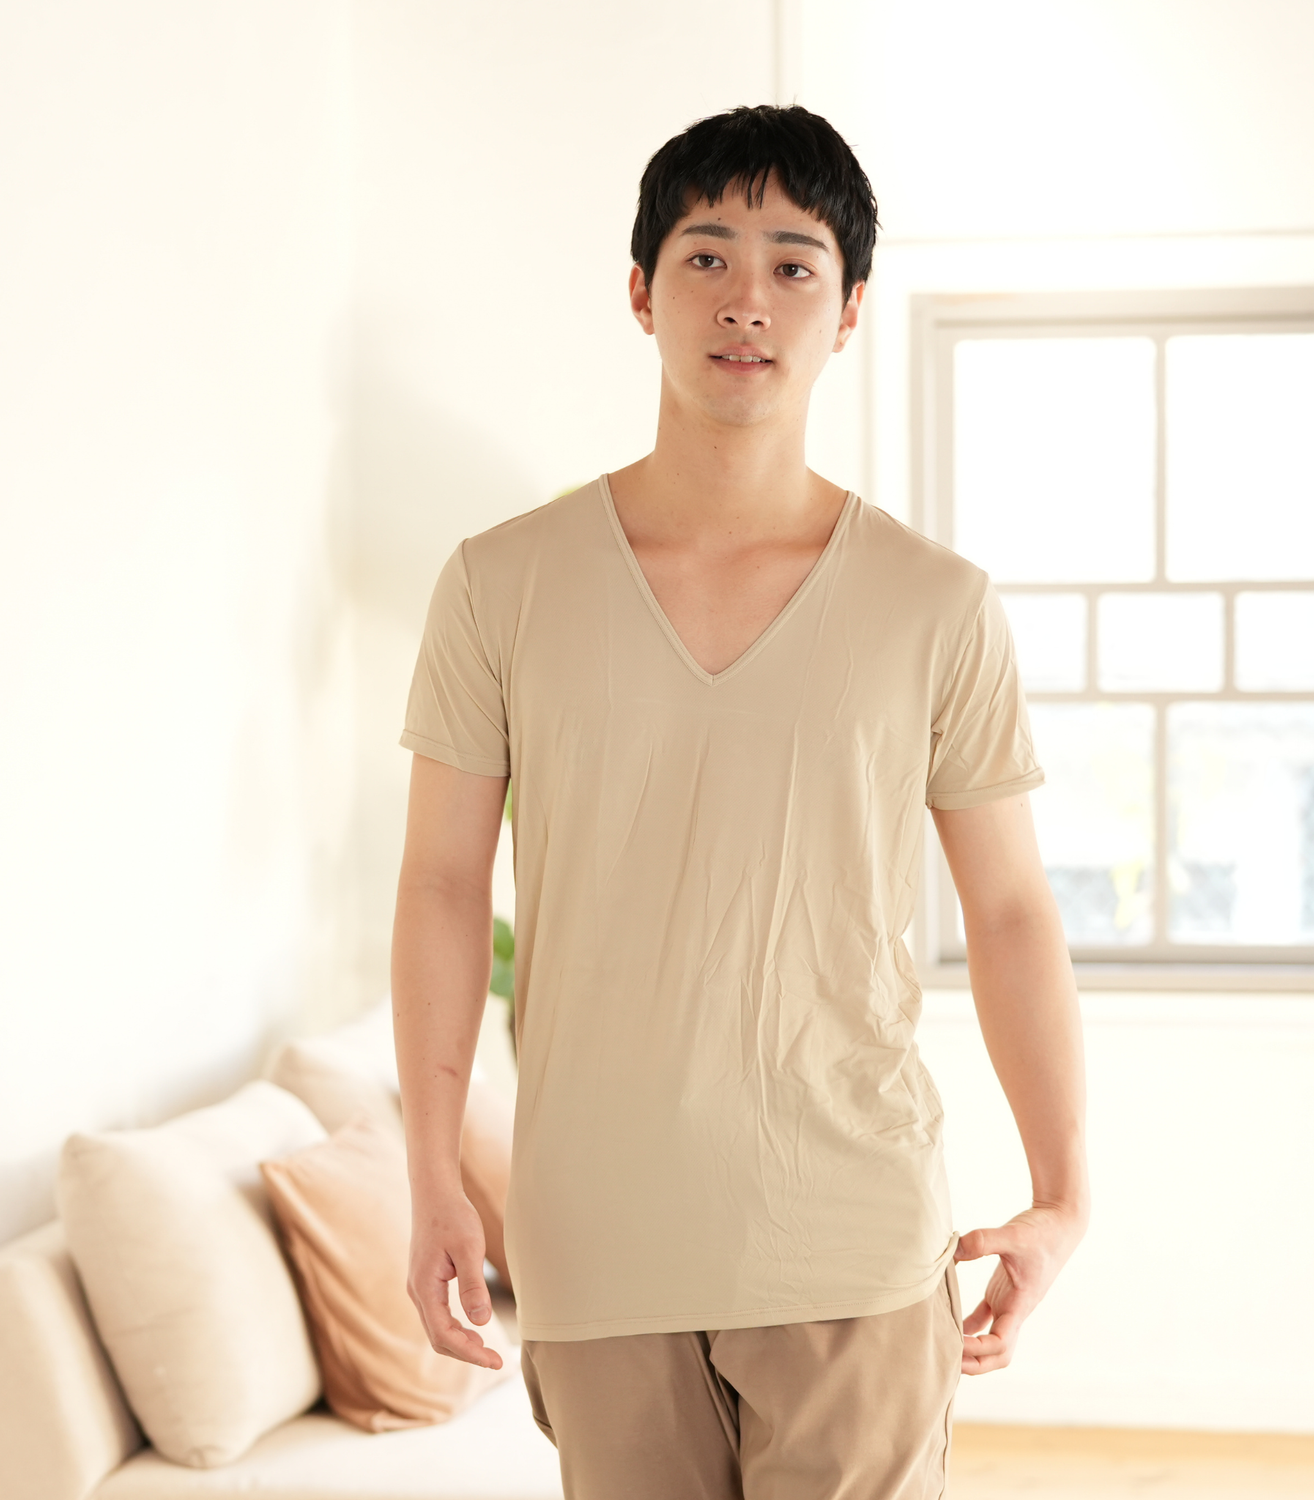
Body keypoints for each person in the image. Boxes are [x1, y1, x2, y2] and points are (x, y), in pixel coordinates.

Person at [391, 104, 1088, 1500]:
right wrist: (432, 1177)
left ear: (850, 309)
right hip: (600, 1247)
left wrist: (1063, 1193)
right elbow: (443, 887)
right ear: (640, 292)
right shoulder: (501, 583)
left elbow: (1011, 910)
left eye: (792, 265)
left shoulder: (936, 604)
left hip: (852, 1238)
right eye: (706, 256)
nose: (747, 301)